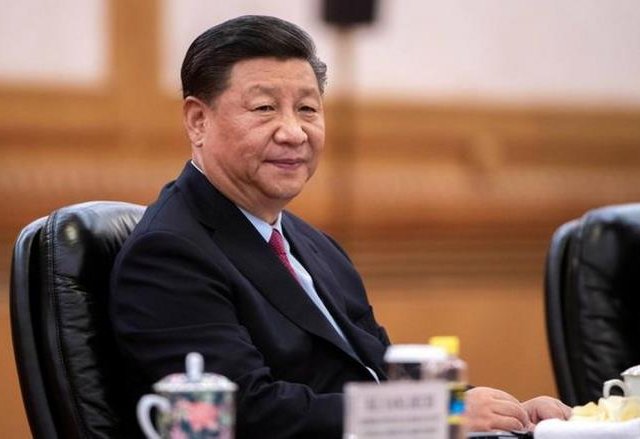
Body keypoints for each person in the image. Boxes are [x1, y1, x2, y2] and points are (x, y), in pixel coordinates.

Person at [109, 15, 571, 438]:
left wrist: (503, 415)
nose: (294, 132)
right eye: (264, 108)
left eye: (308, 109)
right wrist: (437, 414)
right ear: (198, 121)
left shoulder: (312, 243)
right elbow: (246, 411)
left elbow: (379, 374)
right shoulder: (169, 253)